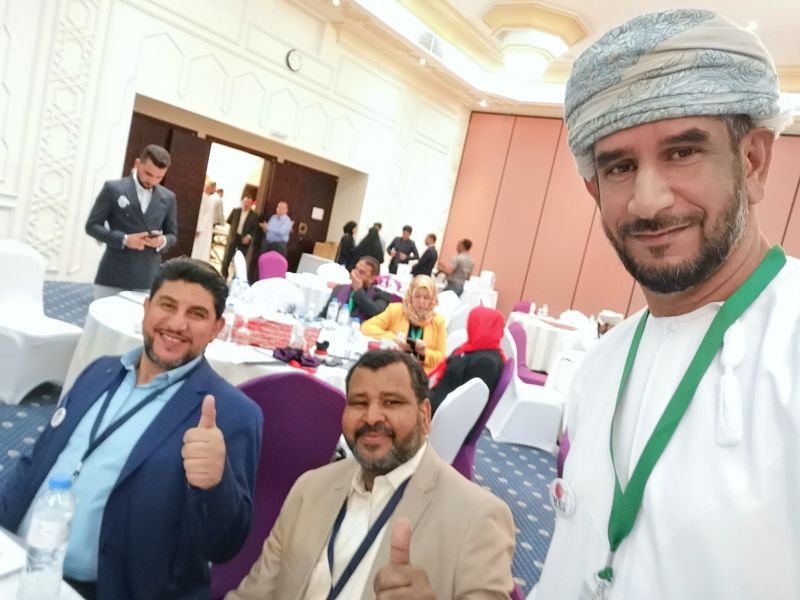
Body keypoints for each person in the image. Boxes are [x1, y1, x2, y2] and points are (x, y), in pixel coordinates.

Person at [535, 9, 800, 600]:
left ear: (754, 161)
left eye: (682, 152)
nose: (648, 202)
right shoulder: (598, 365)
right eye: (620, 166)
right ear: (594, 190)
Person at [0, 258, 263, 599]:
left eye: (197, 314)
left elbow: (224, 544)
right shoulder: (99, 371)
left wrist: (215, 484)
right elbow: (35, 462)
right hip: (21, 562)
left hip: (106, 589)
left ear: (216, 328)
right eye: (167, 305)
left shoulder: (232, 414)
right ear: (146, 308)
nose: (177, 323)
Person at [226, 350, 516, 599]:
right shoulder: (310, 488)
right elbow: (254, 593)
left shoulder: (478, 517)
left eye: (392, 402)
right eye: (359, 403)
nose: (372, 417)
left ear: (425, 416)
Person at [85, 144, 178, 298]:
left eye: (159, 177)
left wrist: (161, 241)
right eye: (148, 174)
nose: (153, 181)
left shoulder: (169, 197)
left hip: (147, 276)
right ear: (137, 163)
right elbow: (92, 226)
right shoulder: (113, 188)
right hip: (113, 272)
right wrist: (124, 239)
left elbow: (172, 235)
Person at [427, 306, 506, 414]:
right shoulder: (472, 348)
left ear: (482, 327)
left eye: (473, 323)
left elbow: (466, 408)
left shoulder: (486, 363)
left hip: (434, 413)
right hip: (431, 401)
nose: (468, 327)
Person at [361, 275, 446, 374]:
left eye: (426, 297)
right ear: (410, 295)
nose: (421, 301)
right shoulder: (396, 310)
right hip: (390, 366)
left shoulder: (438, 322)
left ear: (432, 299)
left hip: (418, 374)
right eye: (417, 296)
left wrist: (424, 353)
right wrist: (394, 339)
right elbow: (366, 327)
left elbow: (441, 358)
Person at [320, 257, 393, 322]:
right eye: (355, 269)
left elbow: (375, 313)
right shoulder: (339, 288)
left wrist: (358, 290)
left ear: (372, 278)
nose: (355, 274)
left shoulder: (381, 296)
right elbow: (323, 315)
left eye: (361, 272)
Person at [221, 193, 259, 279]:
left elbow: (254, 229)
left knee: (240, 259)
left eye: (248, 203)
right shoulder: (236, 211)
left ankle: (236, 277)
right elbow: (229, 221)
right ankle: (224, 275)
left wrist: (248, 236)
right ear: (242, 202)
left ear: (251, 204)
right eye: (245, 202)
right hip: (234, 237)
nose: (246, 204)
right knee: (227, 257)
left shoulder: (254, 216)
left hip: (244, 239)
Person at [191, 180, 225, 261]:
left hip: (206, 228)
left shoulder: (209, 199)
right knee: (198, 247)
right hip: (201, 228)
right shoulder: (203, 197)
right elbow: (202, 214)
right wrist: (199, 228)